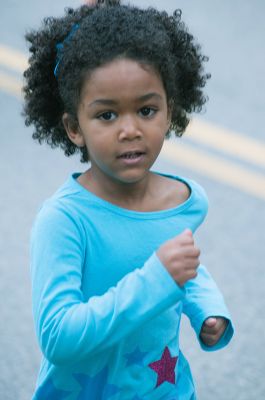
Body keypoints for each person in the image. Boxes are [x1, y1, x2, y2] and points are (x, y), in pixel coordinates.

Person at [23, 1, 234, 398]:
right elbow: (58, 337)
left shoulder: (182, 201)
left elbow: (181, 263)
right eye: (107, 116)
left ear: (170, 112)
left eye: (147, 109)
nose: (130, 130)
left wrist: (208, 306)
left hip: (166, 389)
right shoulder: (64, 220)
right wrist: (157, 278)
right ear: (73, 127)